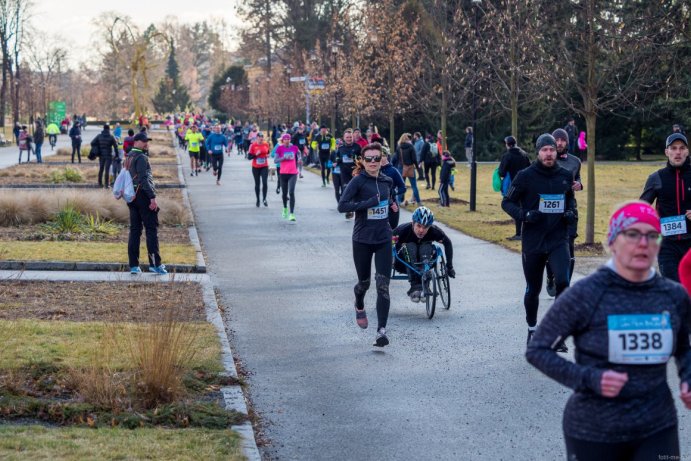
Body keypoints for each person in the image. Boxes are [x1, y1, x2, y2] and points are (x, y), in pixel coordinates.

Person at [526, 201, 691, 461]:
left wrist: (687, 378)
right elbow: (538, 349)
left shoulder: (673, 295)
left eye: (652, 235)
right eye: (633, 234)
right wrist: (590, 379)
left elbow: (683, 348)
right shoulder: (586, 293)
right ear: (613, 241)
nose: (643, 243)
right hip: (594, 428)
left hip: (657, 425)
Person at [502, 133, 576, 350]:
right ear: (538, 152)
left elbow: (570, 202)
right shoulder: (526, 176)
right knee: (533, 289)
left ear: (556, 151)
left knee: (563, 282)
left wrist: (571, 214)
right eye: (544, 150)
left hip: (557, 238)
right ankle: (532, 329)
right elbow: (507, 202)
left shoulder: (565, 175)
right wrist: (524, 215)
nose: (549, 153)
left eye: (552, 149)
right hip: (533, 241)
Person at [338, 142, 397, 347]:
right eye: (368, 159)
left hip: (383, 239)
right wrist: (367, 203)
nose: (373, 162)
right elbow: (342, 206)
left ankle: (381, 331)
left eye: (376, 158)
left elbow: (390, 204)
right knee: (364, 284)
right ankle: (359, 303)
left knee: (383, 286)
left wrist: (392, 207)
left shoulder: (387, 181)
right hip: (362, 240)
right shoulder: (358, 181)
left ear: (382, 159)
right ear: (362, 161)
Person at [640, 132, 691, 282]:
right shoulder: (656, 178)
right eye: (673, 148)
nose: (678, 152)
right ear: (666, 152)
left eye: (682, 148)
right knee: (673, 288)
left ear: (687, 151)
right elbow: (641, 208)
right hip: (667, 244)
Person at [546, 128, 583, 294]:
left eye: (563, 140)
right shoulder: (546, 159)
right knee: (549, 248)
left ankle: (566, 285)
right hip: (548, 209)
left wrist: (579, 185)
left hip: (569, 209)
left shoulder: (575, 161)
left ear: (567, 142)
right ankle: (550, 277)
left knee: (569, 247)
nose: (560, 142)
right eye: (557, 139)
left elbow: (578, 179)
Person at [393, 207, 455, 302]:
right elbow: (386, 245)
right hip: (403, 263)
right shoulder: (401, 230)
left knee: (426, 246)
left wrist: (449, 266)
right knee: (410, 246)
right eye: (419, 226)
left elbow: (448, 243)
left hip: (425, 260)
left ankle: (425, 284)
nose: (421, 230)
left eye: (425, 227)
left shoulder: (434, 231)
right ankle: (415, 286)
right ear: (413, 223)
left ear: (430, 226)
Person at [126, 132, 166, 275]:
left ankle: (134, 265)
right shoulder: (142, 157)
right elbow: (144, 179)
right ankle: (155, 264)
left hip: (132, 197)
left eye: (147, 141)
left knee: (135, 230)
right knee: (151, 229)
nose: (146, 143)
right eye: (143, 141)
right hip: (143, 195)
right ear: (135, 141)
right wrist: (152, 197)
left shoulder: (129, 156)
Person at [498, 135, 531, 240]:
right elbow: (529, 168)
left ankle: (519, 232)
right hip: (526, 185)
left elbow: (501, 172)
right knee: (522, 206)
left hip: (514, 185)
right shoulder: (524, 154)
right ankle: (521, 232)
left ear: (507, 144)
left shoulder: (507, 156)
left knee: (507, 204)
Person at [334, 128, 362, 218]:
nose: (349, 139)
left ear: (352, 137)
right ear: (344, 138)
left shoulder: (357, 147)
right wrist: (336, 162)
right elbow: (338, 158)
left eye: (350, 137)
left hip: (355, 172)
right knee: (345, 190)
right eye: (347, 137)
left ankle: (353, 208)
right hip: (344, 173)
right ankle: (349, 210)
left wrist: (355, 158)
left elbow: (361, 159)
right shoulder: (341, 148)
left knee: (355, 191)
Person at [275, 133, 299, 221]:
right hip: (283, 173)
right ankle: (285, 208)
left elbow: (299, 154)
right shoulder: (280, 148)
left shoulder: (294, 148)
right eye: (285, 139)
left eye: (288, 139)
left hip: (293, 173)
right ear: (282, 140)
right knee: (284, 194)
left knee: (291, 192)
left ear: (290, 140)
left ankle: (292, 214)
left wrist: (299, 160)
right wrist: (284, 158)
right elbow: (275, 160)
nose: (287, 141)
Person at [380, 150, 406, 229]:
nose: (381, 158)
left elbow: (402, 187)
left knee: (392, 228)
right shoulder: (374, 170)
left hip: (392, 203)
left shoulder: (393, 171)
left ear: (387, 156)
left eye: (383, 156)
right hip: (378, 203)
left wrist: (394, 192)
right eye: (379, 156)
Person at [395, 133, 422, 205]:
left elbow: (397, 158)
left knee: (401, 185)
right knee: (414, 186)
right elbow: (414, 159)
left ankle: (398, 202)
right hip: (410, 167)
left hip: (401, 167)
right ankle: (419, 202)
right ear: (408, 139)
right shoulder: (411, 147)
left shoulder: (398, 147)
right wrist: (417, 167)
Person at [248, 132, 270, 207]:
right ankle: (258, 199)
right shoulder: (253, 145)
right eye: (260, 138)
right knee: (257, 184)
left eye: (262, 138)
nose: (261, 139)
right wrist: (255, 154)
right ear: (257, 138)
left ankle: (264, 199)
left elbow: (268, 152)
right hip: (256, 167)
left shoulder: (266, 144)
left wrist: (267, 155)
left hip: (264, 166)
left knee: (265, 183)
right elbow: (249, 157)